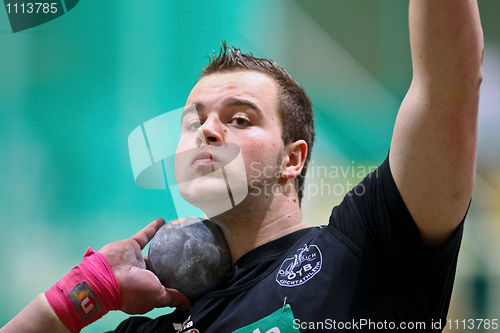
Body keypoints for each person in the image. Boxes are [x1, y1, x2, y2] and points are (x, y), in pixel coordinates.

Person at [1, 0, 484, 332]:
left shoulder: (366, 250)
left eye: (238, 118)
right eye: (194, 122)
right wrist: (84, 292)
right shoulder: (153, 327)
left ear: (293, 159)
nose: (207, 132)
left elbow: (448, 84)